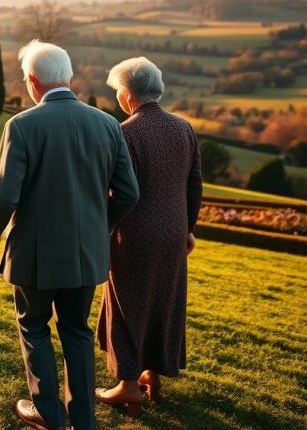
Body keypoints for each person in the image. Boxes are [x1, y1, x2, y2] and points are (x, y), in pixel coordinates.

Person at [0, 40, 140, 430]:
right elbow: (129, 193)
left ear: (33, 83)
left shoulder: (21, 125)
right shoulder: (106, 124)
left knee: (33, 326)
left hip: (34, 254)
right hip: (86, 251)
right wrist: (99, 227)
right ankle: (84, 420)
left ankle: (48, 414)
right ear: (66, 77)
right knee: (77, 330)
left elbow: (4, 195)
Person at [95, 57, 202, 416]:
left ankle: (128, 386)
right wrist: (188, 228)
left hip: (135, 234)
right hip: (174, 232)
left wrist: (103, 226)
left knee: (125, 305)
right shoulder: (184, 128)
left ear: (127, 94)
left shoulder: (125, 132)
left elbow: (116, 190)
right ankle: (152, 379)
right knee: (162, 303)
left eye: (118, 91)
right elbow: (194, 184)